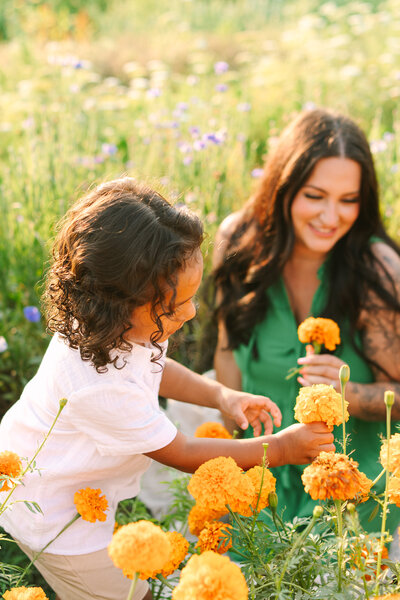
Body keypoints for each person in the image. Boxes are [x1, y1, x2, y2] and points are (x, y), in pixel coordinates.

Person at [0, 178, 335, 600]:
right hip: (54, 519)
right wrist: (281, 450)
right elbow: (183, 453)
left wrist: (221, 396)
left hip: (60, 472)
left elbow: (155, 368)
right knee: (127, 595)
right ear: (117, 304)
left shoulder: (112, 322)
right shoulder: (97, 386)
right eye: (176, 307)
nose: (192, 312)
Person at [212, 108, 400, 535]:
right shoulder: (237, 242)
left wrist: (349, 393)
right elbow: (227, 353)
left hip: (354, 495)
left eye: (348, 200)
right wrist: (238, 459)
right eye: (315, 196)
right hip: (260, 486)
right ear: (283, 188)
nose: (331, 216)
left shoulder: (379, 270)